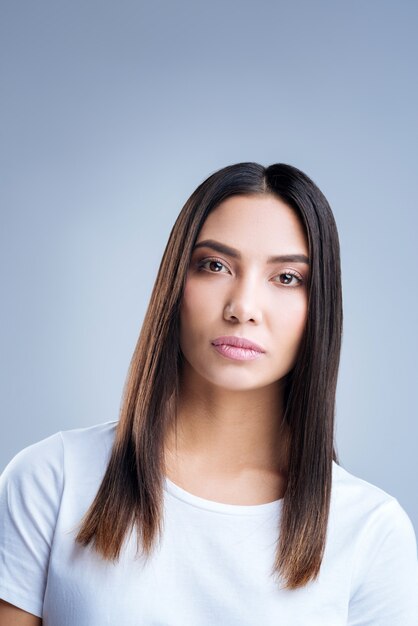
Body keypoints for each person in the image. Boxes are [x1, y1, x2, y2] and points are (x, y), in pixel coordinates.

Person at [0, 162, 417, 626]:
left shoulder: (371, 531)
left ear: (319, 307)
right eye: (215, 265)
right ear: (175, 284)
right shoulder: (52, 480)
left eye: (286, 278)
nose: (242, 307)